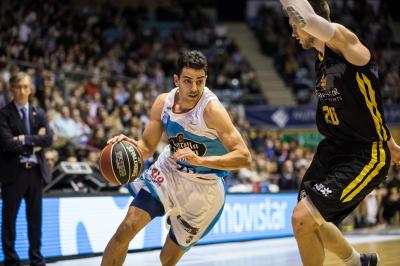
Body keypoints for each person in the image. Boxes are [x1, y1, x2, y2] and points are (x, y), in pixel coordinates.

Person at [101, 50, 251, 266]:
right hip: (169, 169)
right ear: (176, 80)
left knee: (167, 259)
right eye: (188, 81)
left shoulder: (212, 111)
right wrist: (130, 145)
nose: (194, 88)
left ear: (206, 79)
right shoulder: (163, 103)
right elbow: (146, 148)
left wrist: (200, 161)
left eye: (200, 81)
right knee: (126, 228)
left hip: (204, 187)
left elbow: (244, 157)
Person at [279, 1, 400, 265]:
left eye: (294, 26)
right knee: (311, 223)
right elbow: (365, 108)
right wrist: (391, 141)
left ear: (306, 20)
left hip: (365, 154)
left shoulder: (346, 42)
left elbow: (307, 19)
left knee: (304, 218)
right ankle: (359, 262)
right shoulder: (320, 58)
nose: (293, 33)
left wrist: (384, 145)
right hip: (333, 149)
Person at [0, 72, 53, 266]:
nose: (22, 91)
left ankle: (36, 259)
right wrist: (35, 141)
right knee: (9, 220)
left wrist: (22, 138)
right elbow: (7, 143)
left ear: (31, 89)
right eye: (18, 87)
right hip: (14, 173)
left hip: (35, 172)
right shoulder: (4, 114)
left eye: (25, 87)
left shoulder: (38, 113)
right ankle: (11, 260)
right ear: (11, 89)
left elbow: (49, 138)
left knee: (35, 220)